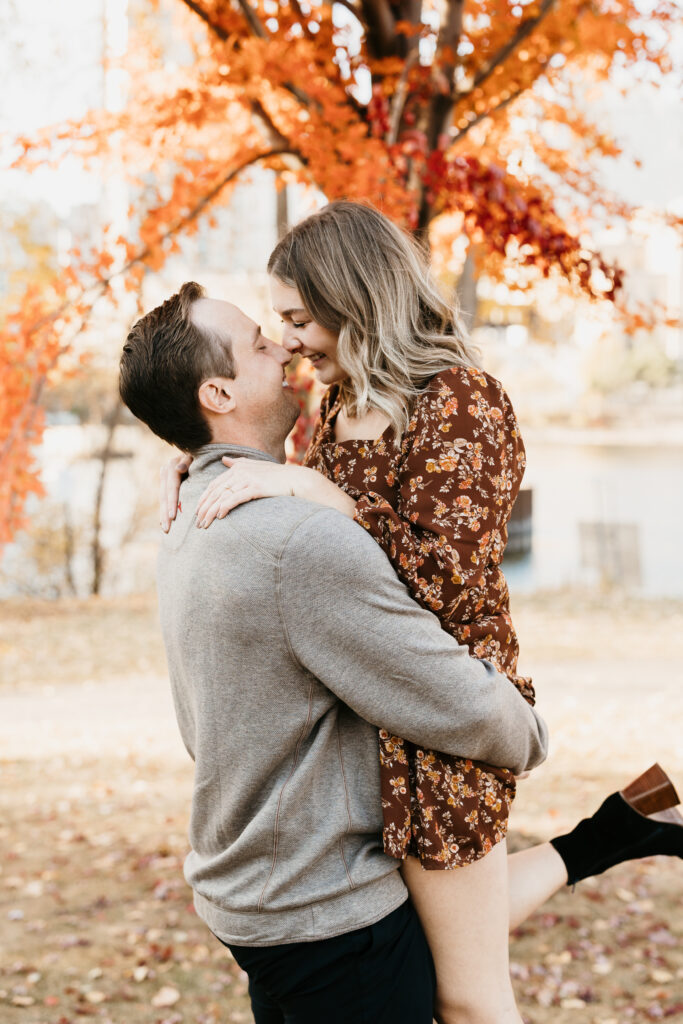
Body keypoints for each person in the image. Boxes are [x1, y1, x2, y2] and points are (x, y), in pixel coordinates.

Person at [160, 201, 683, 1024]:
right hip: (368, 722)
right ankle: (618, 830)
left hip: (442, 727)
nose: (289, 341)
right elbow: (293, 528)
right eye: (278, 324)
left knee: (469, 995)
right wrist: (203, 462)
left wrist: (324, 494)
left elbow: (445, 581)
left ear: (355, 299)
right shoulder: (338, 406)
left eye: (299, 319)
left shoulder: (461, 402)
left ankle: (618, 831)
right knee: (432, 938)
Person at [118, 282, 551, 1024]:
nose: (284, 344)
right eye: (261, 342)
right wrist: (528, 731)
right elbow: (456, 702)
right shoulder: (296, 539)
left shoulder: (192, 501)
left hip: (255, 893)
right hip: (328, 913)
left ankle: (607, 836)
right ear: (218, 392)